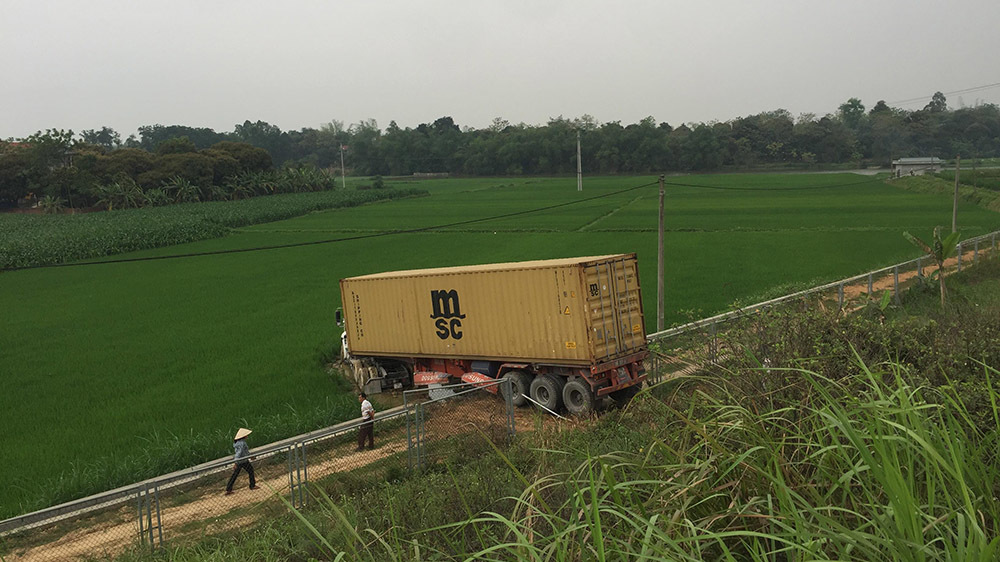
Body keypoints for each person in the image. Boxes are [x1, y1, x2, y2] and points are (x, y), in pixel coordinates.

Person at [225, 427, 257, 495]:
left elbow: (245, 452)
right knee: (250, 471)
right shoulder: (242, 443)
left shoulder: (238, 443)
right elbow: (239, 453)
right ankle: (252, 485)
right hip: (242, 461)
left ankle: (229, 489)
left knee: (235, 475)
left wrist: (250, 456)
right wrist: (236, 462)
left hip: (242, 460)